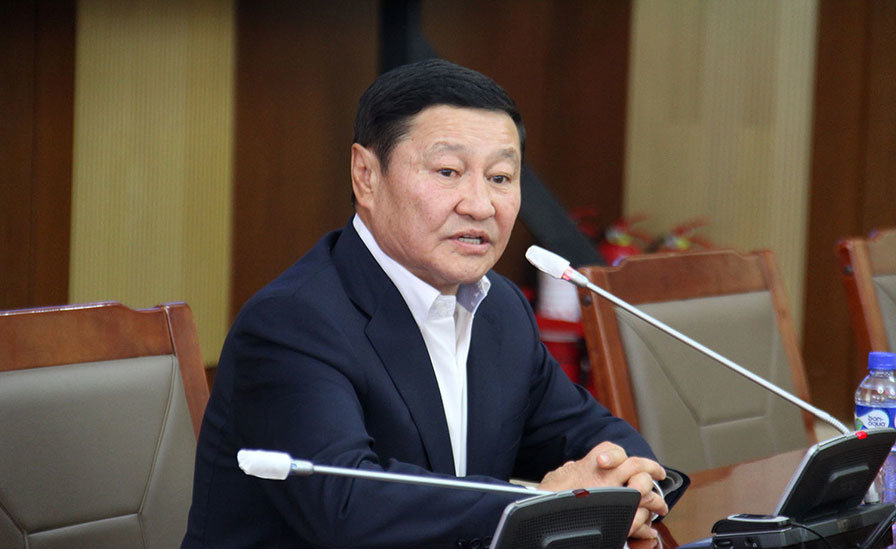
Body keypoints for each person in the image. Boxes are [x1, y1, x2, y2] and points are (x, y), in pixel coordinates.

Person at [183, 58, 684, 548]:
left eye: (500, 178)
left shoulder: (500, 309)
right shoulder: (292, 322)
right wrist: (541, 505)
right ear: (366, 176)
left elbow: (592, 435)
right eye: (448, 171)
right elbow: (348, 507)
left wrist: (630, 483)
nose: (480, 205)